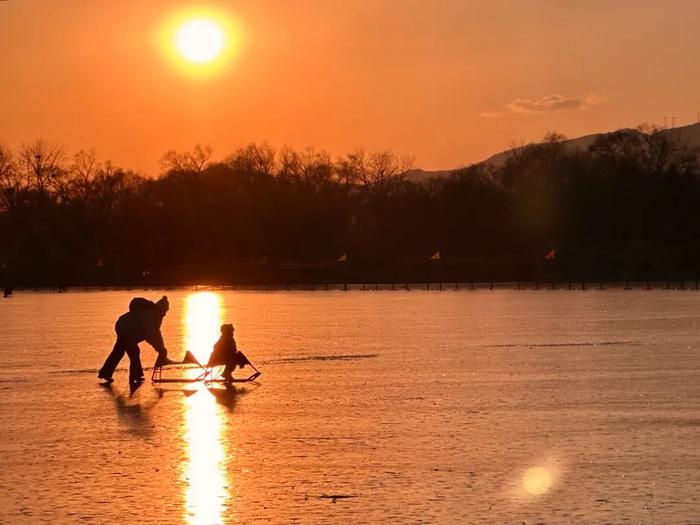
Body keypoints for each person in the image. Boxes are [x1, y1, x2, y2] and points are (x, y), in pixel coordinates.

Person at [98, 295, 173, 383]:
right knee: (134, 351)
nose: (165, 314)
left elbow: (156, 333)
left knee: (118, 352)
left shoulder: (156, 317)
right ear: (160, 309)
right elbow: (150, 334)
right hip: (126, 329)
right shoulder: (149, 315)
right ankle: (134, 376)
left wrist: (161, 347)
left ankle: (106, 373)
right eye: (164, 311)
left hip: (123, 326)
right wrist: (160, 348)